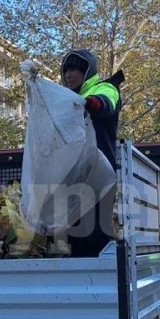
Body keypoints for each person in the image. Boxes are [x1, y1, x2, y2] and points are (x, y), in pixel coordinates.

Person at [59, 49, 121, 258]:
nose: (69, 74)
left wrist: (95, 103)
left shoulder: (105, 87)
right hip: (74, 177)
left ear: (87, 71)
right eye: (66, 69)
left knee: (95, 236)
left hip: (100, 175)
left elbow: (108, 102)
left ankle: (100, 284)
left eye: (75, 69)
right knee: (74, 238)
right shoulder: (66, 98)